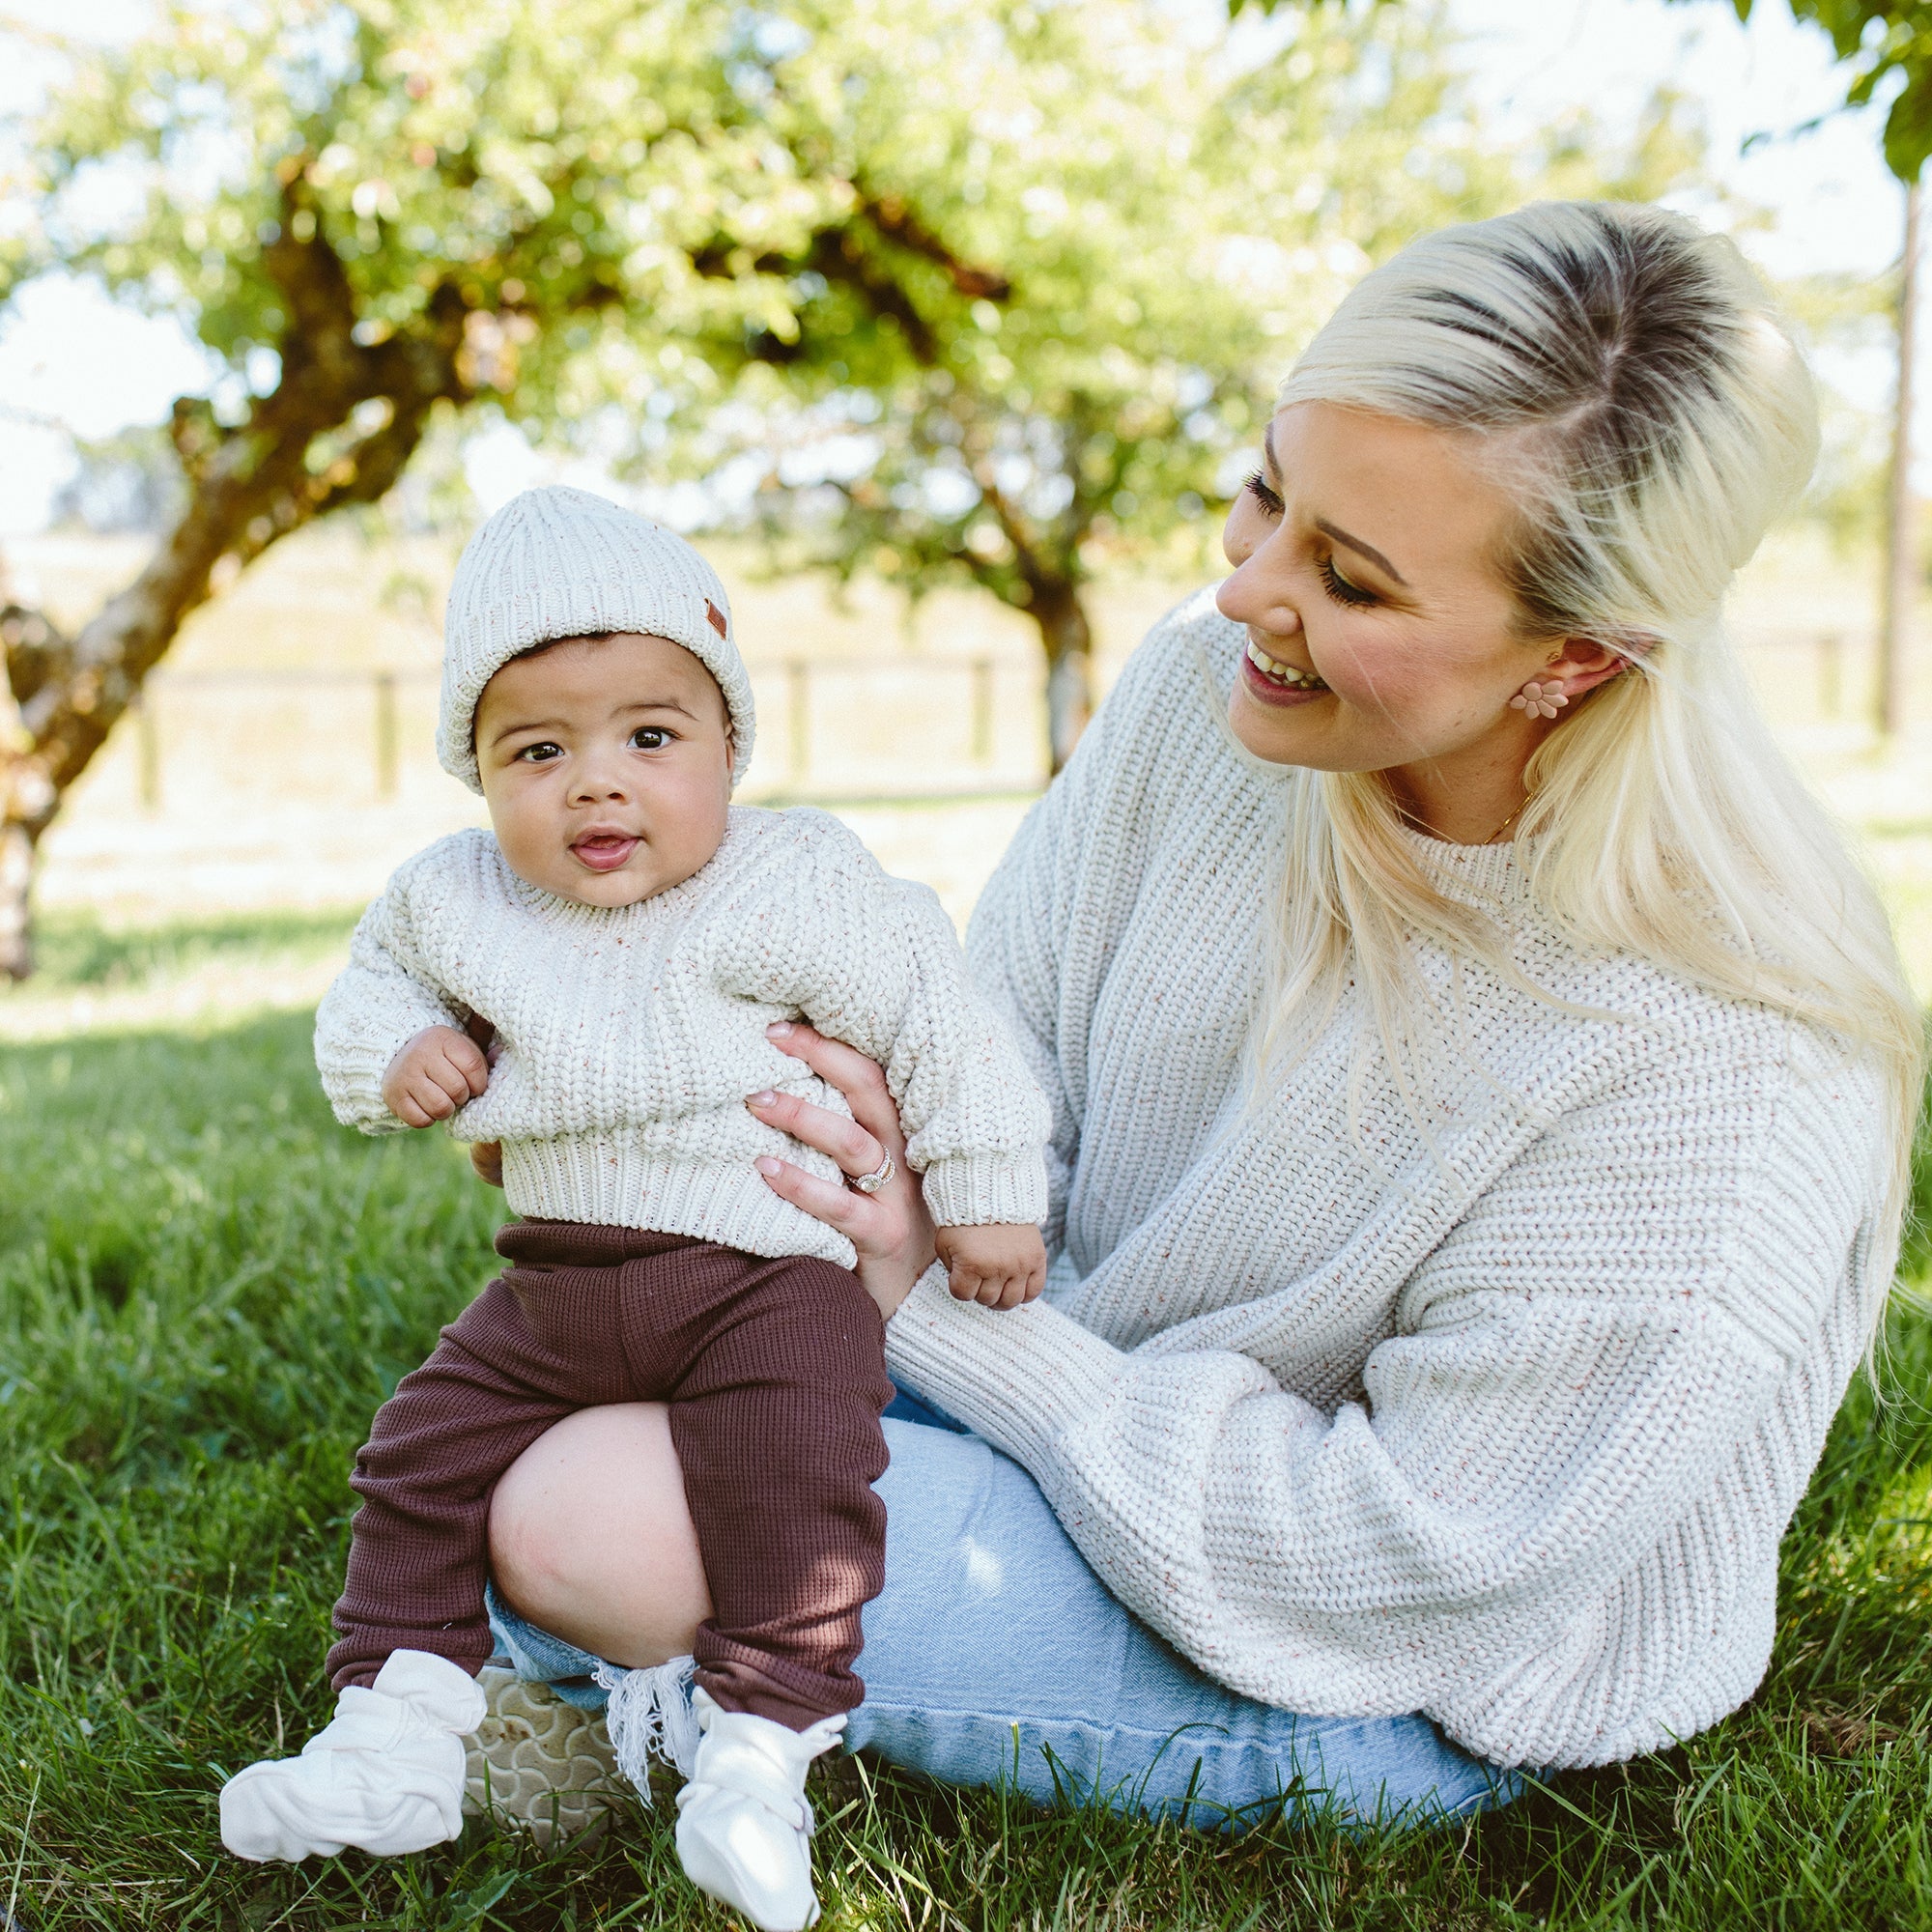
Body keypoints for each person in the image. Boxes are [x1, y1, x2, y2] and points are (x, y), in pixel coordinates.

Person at [467, 200, 1922, 1847]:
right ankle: (652, 1643)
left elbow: (1405, 1561)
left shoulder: (1718, 1066)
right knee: (602, 1278)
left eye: (1350, 579)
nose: (1244, 588)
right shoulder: (1205, 692)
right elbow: (981, 1062)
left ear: (1578, 659)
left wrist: (929, 1314)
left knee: (597, 1511)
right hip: (1076, 1408)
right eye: (1264, 492)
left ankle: (605, 1684)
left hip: (1375, 1658)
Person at [217, 486, 1050, 1931]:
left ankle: (759, 1753)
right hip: (558, 1279)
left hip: (761, 1273)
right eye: (537, 751)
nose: (596, 785)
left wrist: (984, 1198)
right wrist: (400, 1056)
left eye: (650, 739)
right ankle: (398, 1728)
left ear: (731, 743)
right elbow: (366, 997)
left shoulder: (791, 880)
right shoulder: (456, 897)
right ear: (477, 775)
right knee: (417, 1458)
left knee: (796, 1465)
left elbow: (941, 1016)